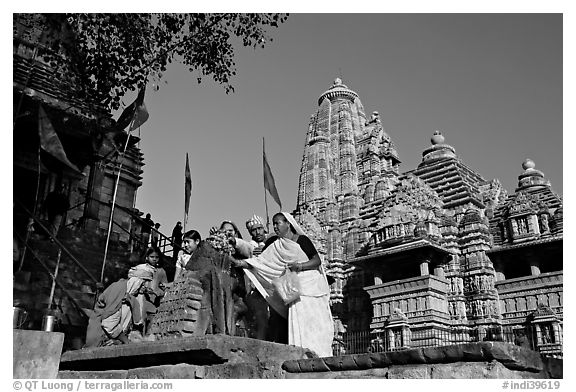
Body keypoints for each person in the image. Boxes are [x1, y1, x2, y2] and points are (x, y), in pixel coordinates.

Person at [233, 212, 334, 356]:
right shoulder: (276, 245)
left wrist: (300, 266)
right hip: (294, 291)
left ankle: (321, 354)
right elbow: (262, 262)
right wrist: (241, 263)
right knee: (299, 324)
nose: (275, 227)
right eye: (273, 224)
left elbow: (316, 260)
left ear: (288, 224)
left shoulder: (302, 240)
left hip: (311, 287)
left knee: (316, 323)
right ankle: (302, 355)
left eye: (278, 223)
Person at [84, 264, 153, 347]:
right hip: (100, 337)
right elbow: (108, 324)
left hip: (116, 339)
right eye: (144, 282)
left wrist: (121, 341)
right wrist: (126, 341)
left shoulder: (133, 296)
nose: (145, 286)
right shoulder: (118, 288)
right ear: (136, 280)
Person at [243, 214, 271, 339]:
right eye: (253, 230)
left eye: (259, 228)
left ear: (264, 228)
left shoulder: (272, 242)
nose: (257, 232)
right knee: (260, 319)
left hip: (273, 286)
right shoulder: (250, 246)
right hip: (256, 288)